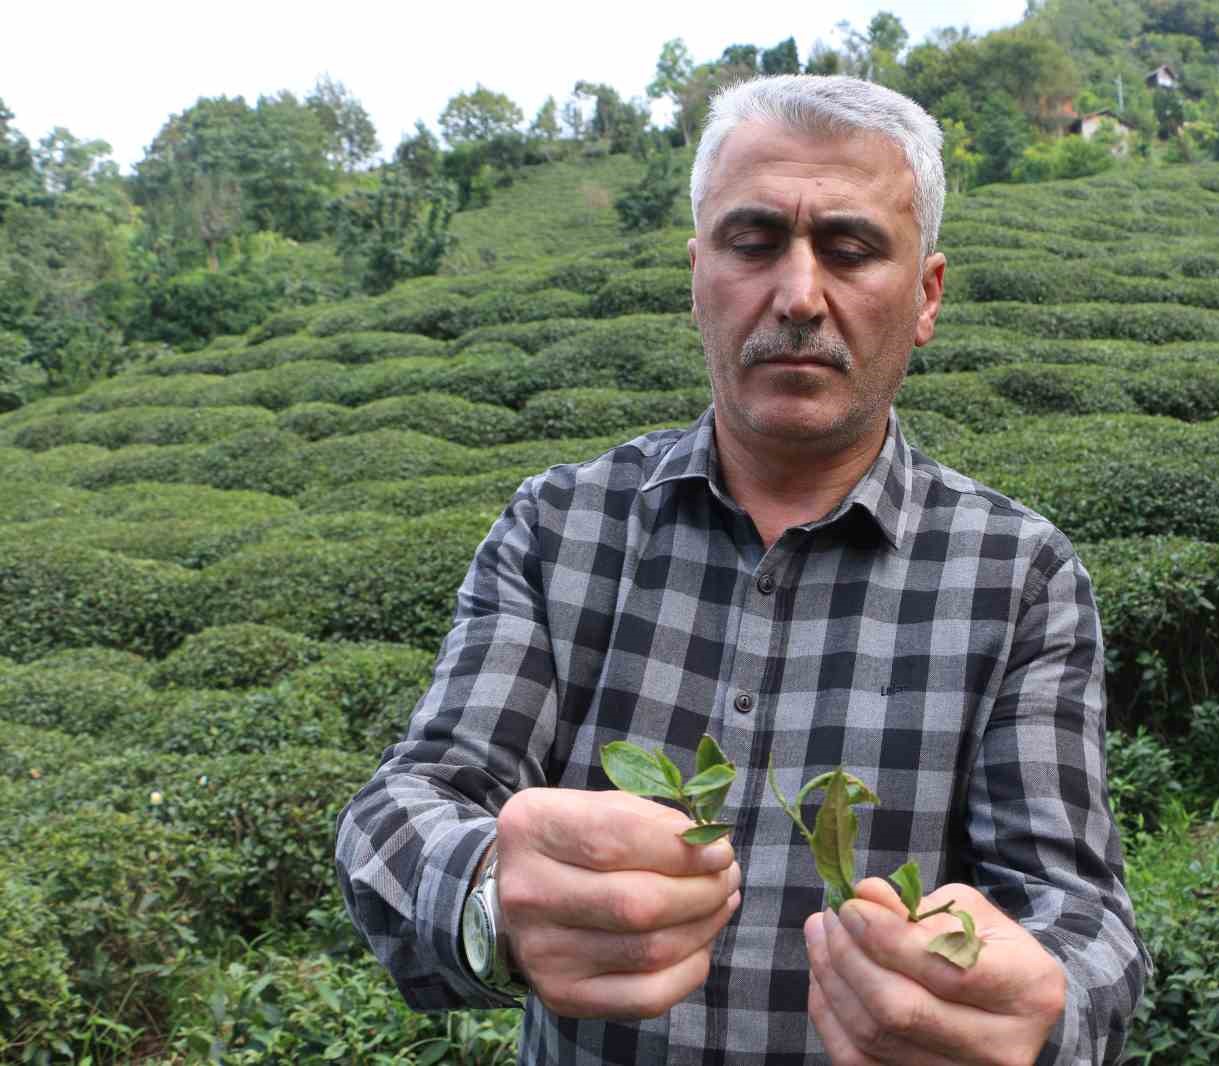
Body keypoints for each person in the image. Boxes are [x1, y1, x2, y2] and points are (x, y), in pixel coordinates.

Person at [336, 74, 1147, 1066]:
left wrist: (1040, 1012)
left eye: (849, 250)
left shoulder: (1018, 575)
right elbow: (403, 808)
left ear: (926, 296)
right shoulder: (561, 528)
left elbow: (1082, 918)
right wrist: (485, 893)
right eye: (752, 242)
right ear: (696, 276)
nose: (799, 295)